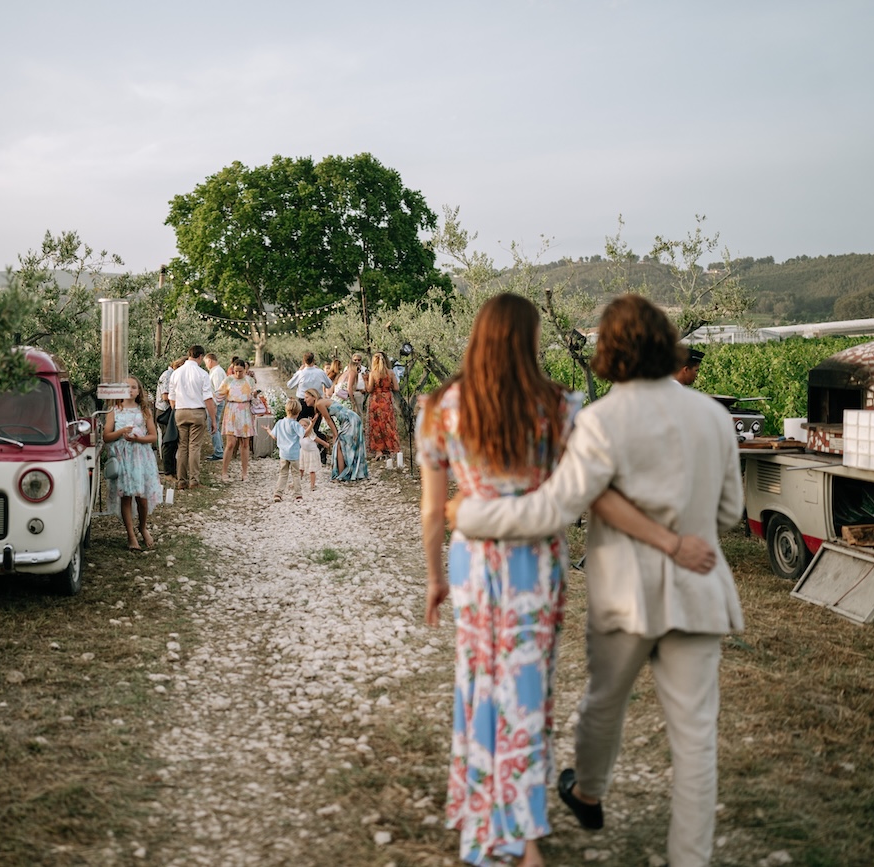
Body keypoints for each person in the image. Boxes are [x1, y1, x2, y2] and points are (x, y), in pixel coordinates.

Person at [420, 293, 716, 867]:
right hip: (537, 563)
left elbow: (434, 512)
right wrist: (668, 539)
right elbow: (595, 493)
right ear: (531, 342)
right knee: (527, 692)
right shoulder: (560, 406)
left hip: (475, 563)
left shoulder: (440, 407)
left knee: (480, 683)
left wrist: (435, 578)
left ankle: (484, 816)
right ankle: (525, 832)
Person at [103, 375, 161, 551]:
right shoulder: (113, 410)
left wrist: (139, 439)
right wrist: (121, 431)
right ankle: (130, 535)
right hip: (123, 457)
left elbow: (153, 436)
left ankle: (142, 527)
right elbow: (106, 436)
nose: (130, 390)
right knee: (126, 496)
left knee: (142, 498)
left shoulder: (144, 410)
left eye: (133, 387)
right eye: (126, 387)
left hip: (141, 456)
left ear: (139, 391)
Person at [169, 345, 217, 491]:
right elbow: (208, 399)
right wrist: (213, 420)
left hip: (180, 411)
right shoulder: (202, 374)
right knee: (194, 447)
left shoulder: (176, 373)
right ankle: (194, 480)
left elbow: (172, 397)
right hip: (197, 412)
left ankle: (181, 480)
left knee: (182, 446)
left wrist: (176, 410)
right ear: (201, 357)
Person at [304, 388, 368, 482]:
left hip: (349, 420)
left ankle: (342, 475)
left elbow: (328, 420)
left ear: (314, 397)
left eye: (306, 397)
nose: (305, 399)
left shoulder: (319, 404)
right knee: (340, 445)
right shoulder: (321, 403)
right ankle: (343, 473)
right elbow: (329, 419)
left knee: (340, 444)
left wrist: (335, 435)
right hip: (350, 418)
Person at [217, 359, 255, 482]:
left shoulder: (250, 380)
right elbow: (219, 395)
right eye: (236, 371)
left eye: (241, 371)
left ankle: (244, 473)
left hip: (245, 410)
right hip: (232, 410)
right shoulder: (228, 380)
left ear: (245, 370)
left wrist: (255, 396)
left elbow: (254, 397)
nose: (238, 373)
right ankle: (224, 472)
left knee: (245, 443)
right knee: (230, 443)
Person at [363, 350, 400, 459]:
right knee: (388, 423)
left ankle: (379, 451)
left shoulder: (373, 374)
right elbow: (397, 388)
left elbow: (369, 389)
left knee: (376, 425)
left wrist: (365, 380)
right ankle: (391, 448)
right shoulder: (391, 372)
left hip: (375, 400)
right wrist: (388, 387)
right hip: (387, 399)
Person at [268, 397, 305, 502]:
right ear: (298, 413)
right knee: (295, 474)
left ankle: (278, 494)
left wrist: (268, 431)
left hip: (283, 453)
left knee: (283, 473)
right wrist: (311, 425)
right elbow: (303, 434)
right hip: (294, 454)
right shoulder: (295, 424)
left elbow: (274, 436)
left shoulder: (280, 423)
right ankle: (298, 495)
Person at [155, 357, 184, 477]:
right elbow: (165, 396)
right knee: (168, 441)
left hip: (170, 411)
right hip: (165, 412)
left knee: (172, 441)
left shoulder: (172, 375)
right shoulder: (167, 375)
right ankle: (168, 471)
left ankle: (173, 469)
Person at [286, 352, 332, 425]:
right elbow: (329, 385)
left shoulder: (300, 373)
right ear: (314, 360)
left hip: (303, 401)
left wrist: (298, 371)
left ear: (303, 361)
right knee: (316, 425)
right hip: (317, 402)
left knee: (301, 425)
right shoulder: (320, 372)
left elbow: (289, 385)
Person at [205, 351, 227, 460]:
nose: (205, 365)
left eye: (206, 362)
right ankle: (220, 448)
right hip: (215, 403)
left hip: (215, 403)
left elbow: (219, 390)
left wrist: (214, 405)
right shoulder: (215, 371)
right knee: (215, 426)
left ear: (210, 360)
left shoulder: (217, 372)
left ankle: (218, 451)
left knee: (213, 426)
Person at [298, 415, 328, 492]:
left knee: (312, 470)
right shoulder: (300, 434)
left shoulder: (311, 435)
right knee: (300, 468)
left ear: (309, 426)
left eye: (305, 425)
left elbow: (319, 441)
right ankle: (297, 482)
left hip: (312, 453)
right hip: (303, 452)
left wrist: (326, 444)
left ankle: (312, 485)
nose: (303, 427)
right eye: (301, 425)